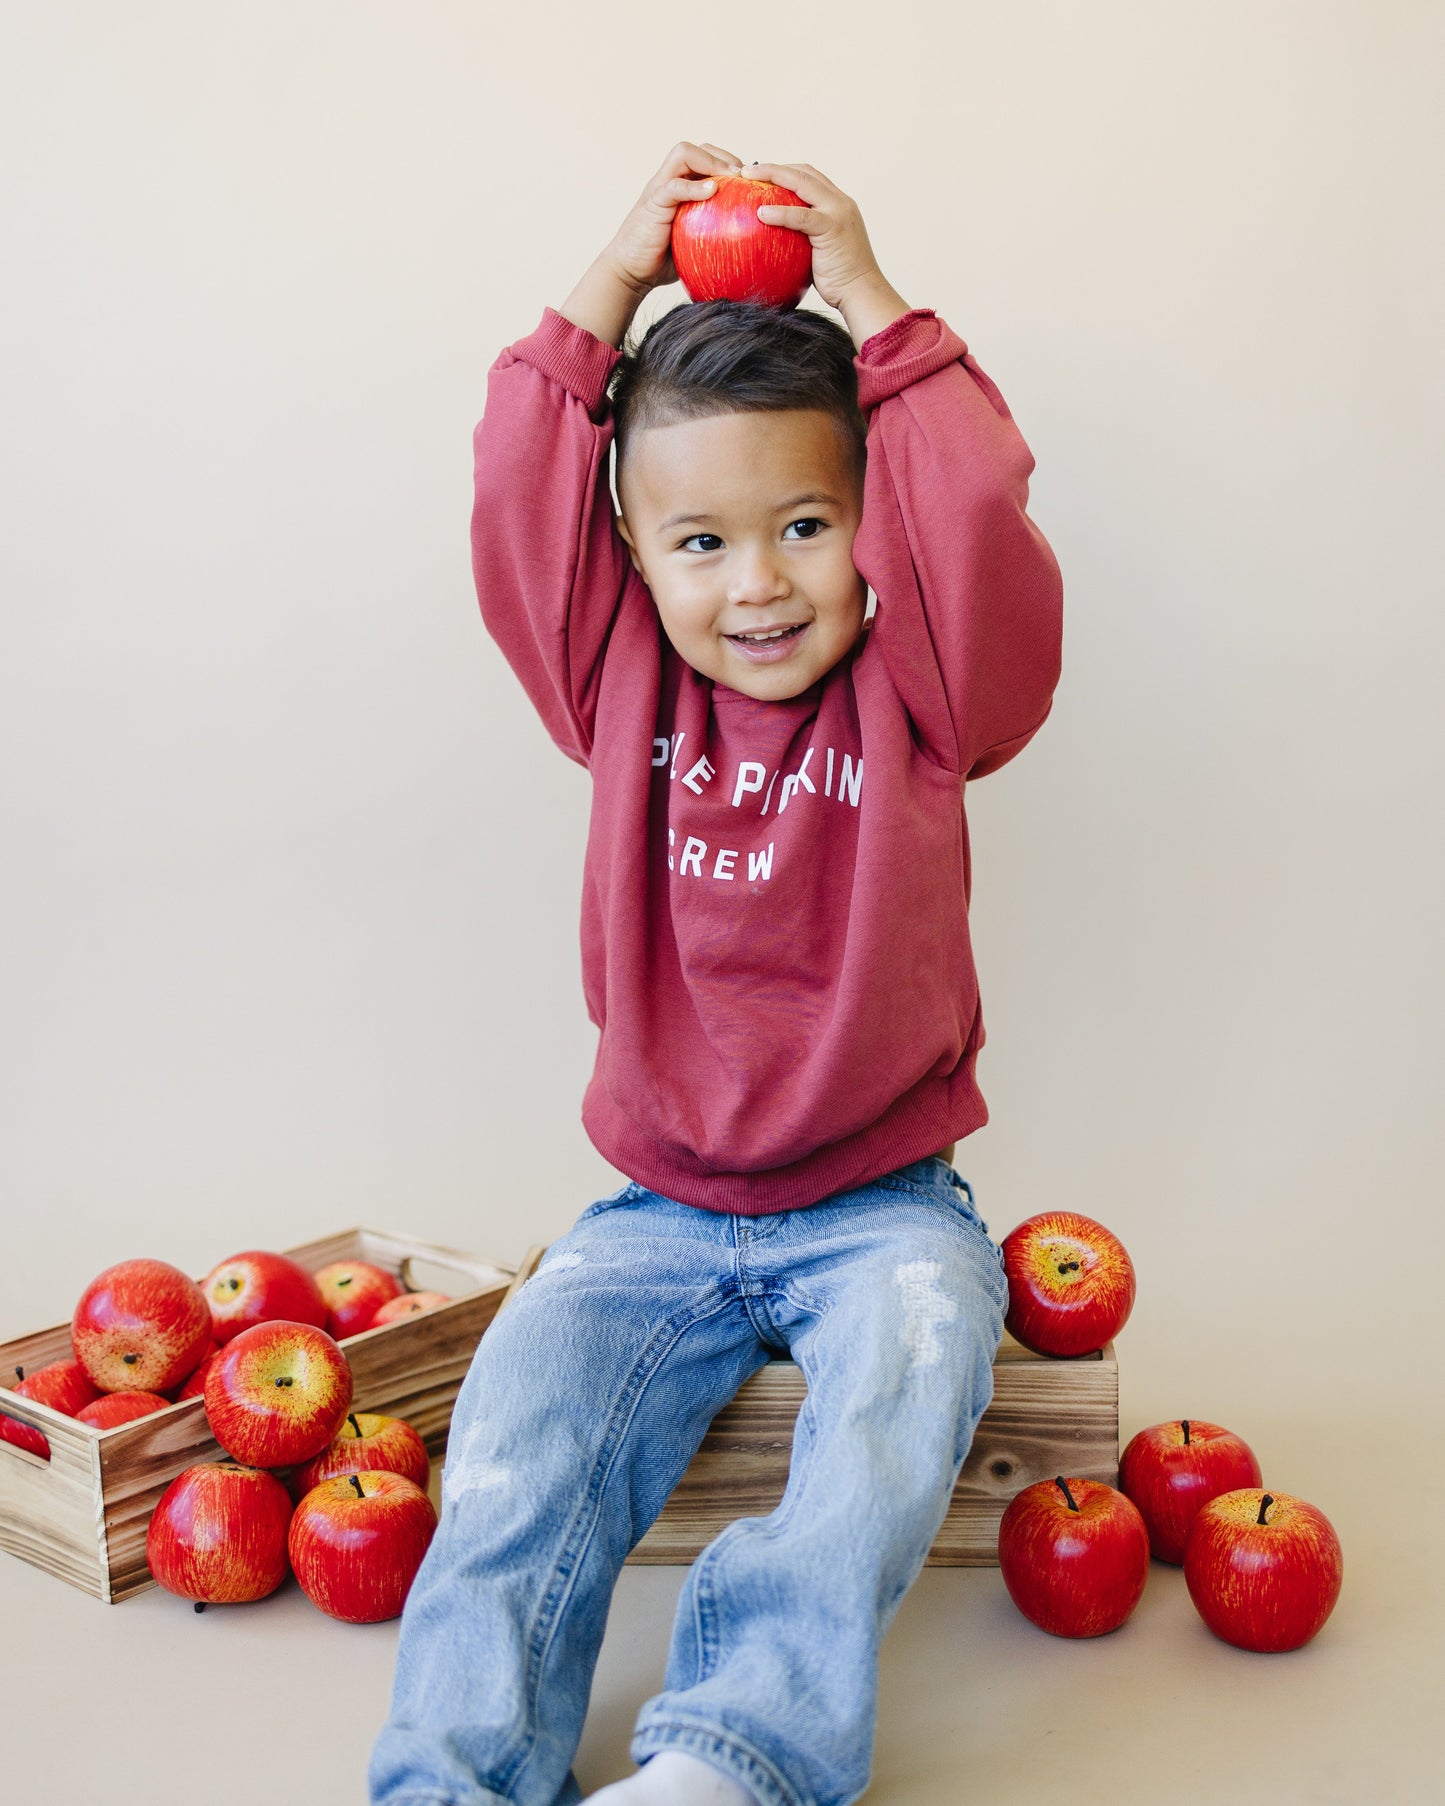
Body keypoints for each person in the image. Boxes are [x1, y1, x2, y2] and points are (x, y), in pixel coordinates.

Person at [368, 141, 1064, 1806]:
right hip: (651, 1213)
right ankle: (454, 1771)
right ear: (633, 552)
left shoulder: (923, 688)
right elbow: (516, 492)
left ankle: (734, 1754)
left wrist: (876, 309)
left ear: (866, 522)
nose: (754, 583)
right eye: (699, 542)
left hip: (884, 1208)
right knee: (516, 1439)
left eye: (806, 524)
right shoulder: (613, 679)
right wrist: (613, 279)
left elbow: (969, 510)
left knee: (903, 1390)